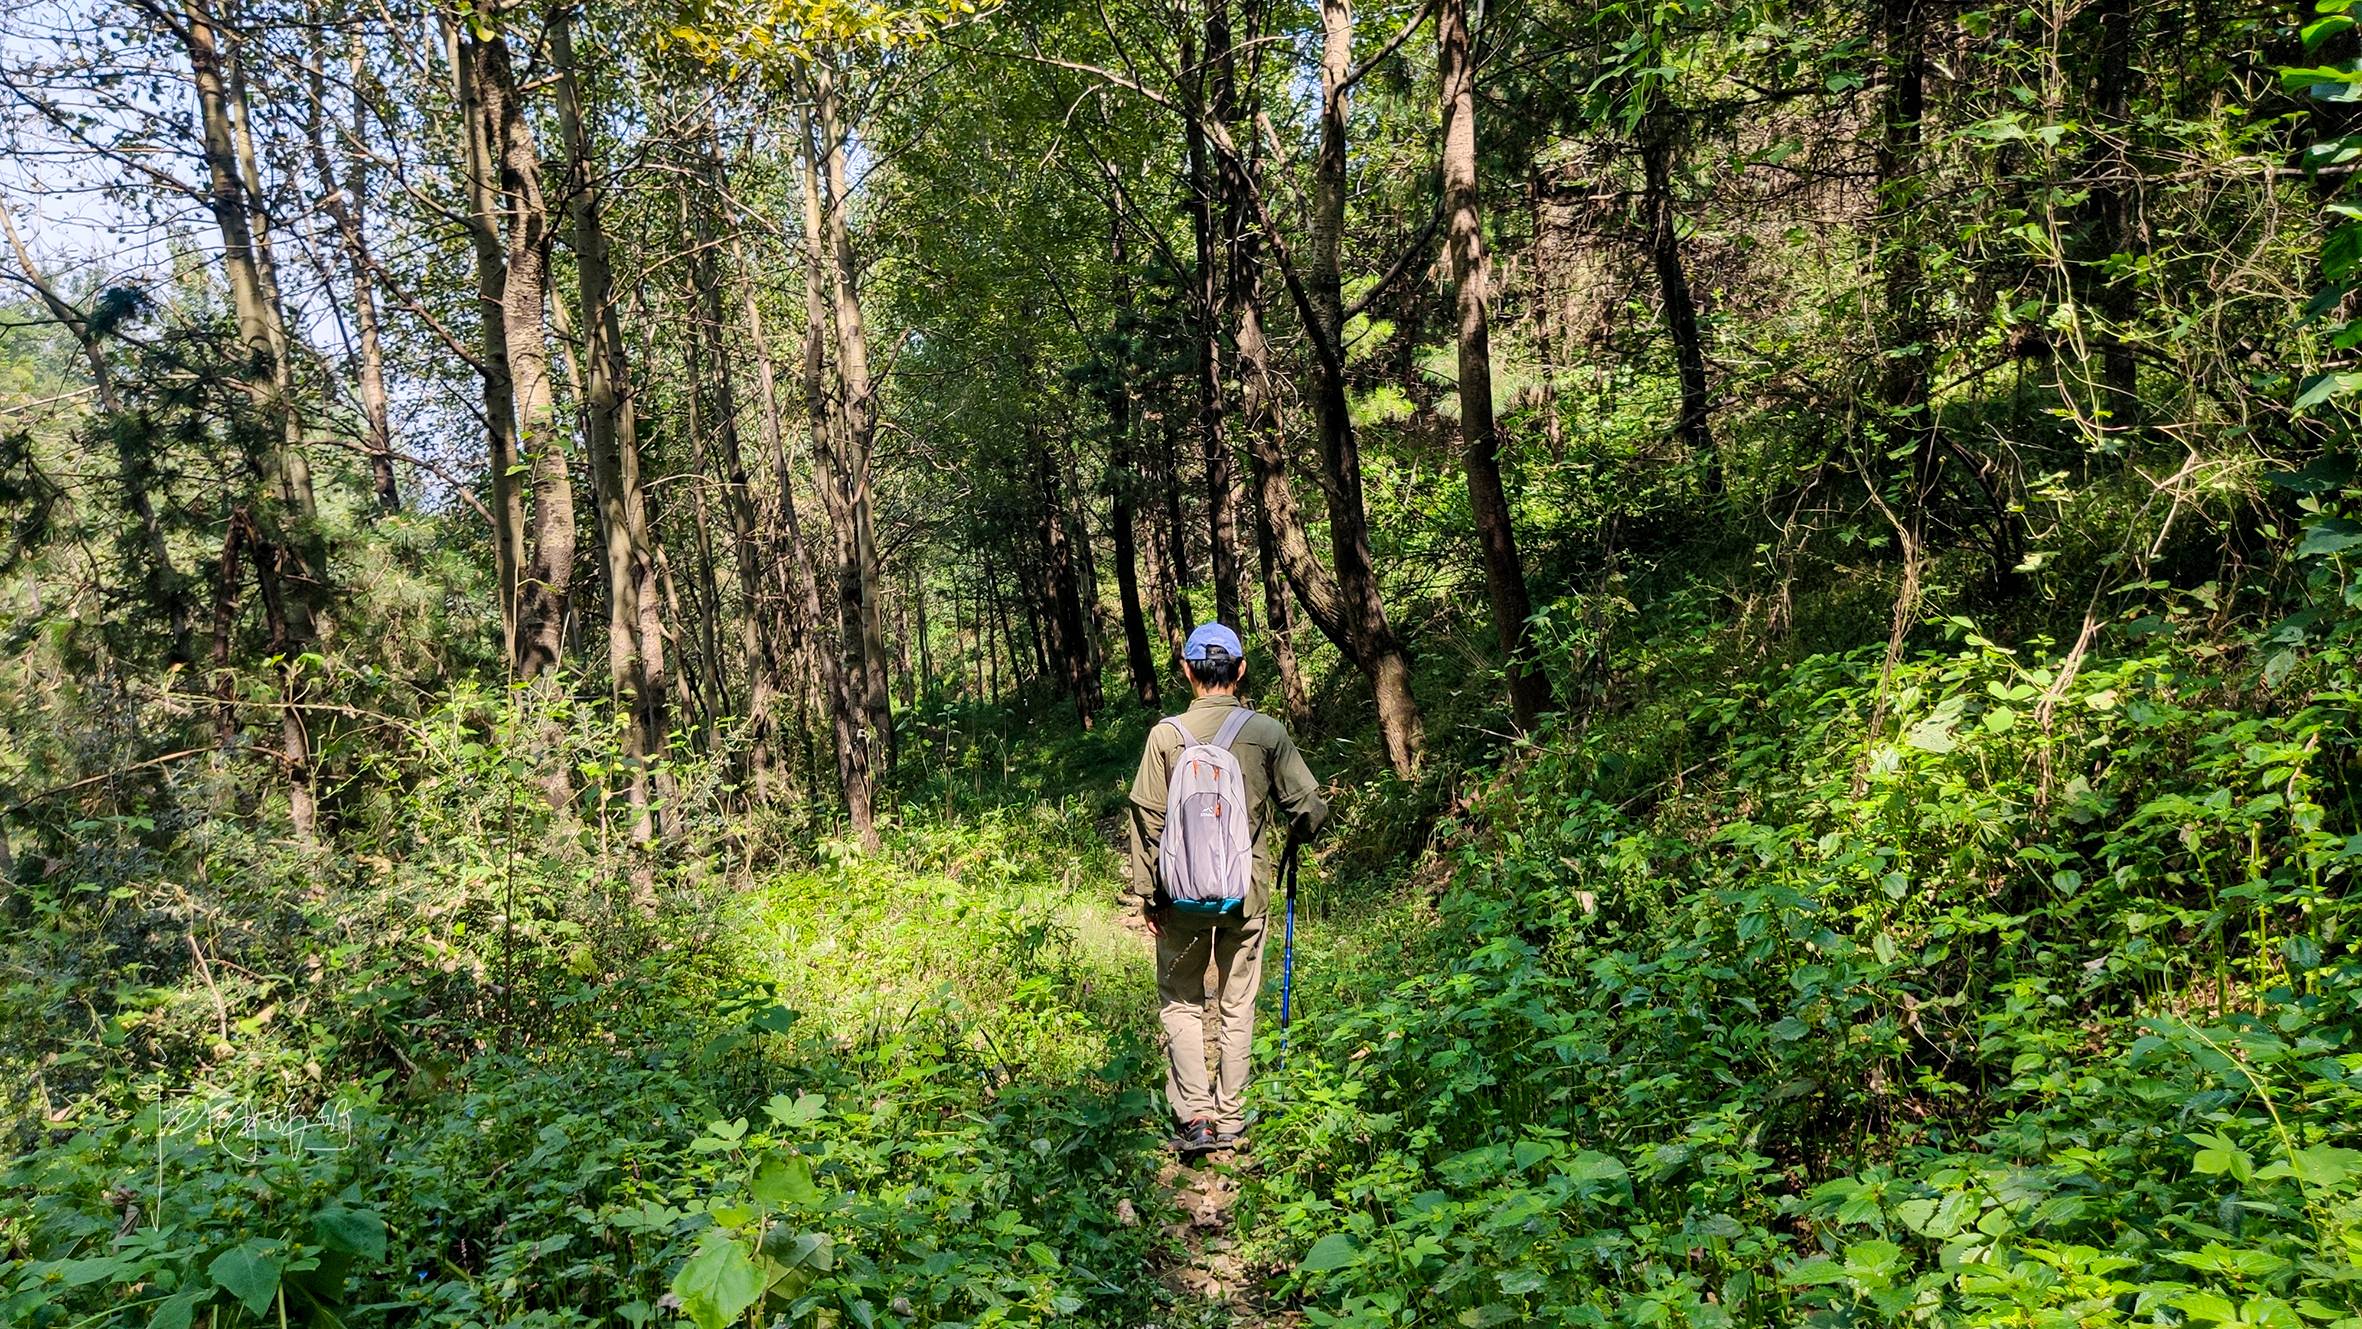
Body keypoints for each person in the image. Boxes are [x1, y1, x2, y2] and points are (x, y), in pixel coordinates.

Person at [1128, 622, 1328, 1152]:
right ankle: (1232, 1116)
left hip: (1180, 899)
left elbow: (1146, 818)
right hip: (1247, 894)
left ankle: (1195, 1116)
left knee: (1183, 1001)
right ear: (1240, 671)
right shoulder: (1267, 733)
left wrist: (1150, 894)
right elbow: (1309, 807)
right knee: (1238, 1003)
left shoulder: (1166, 736)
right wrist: (1296, 836)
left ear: (1187, 672)